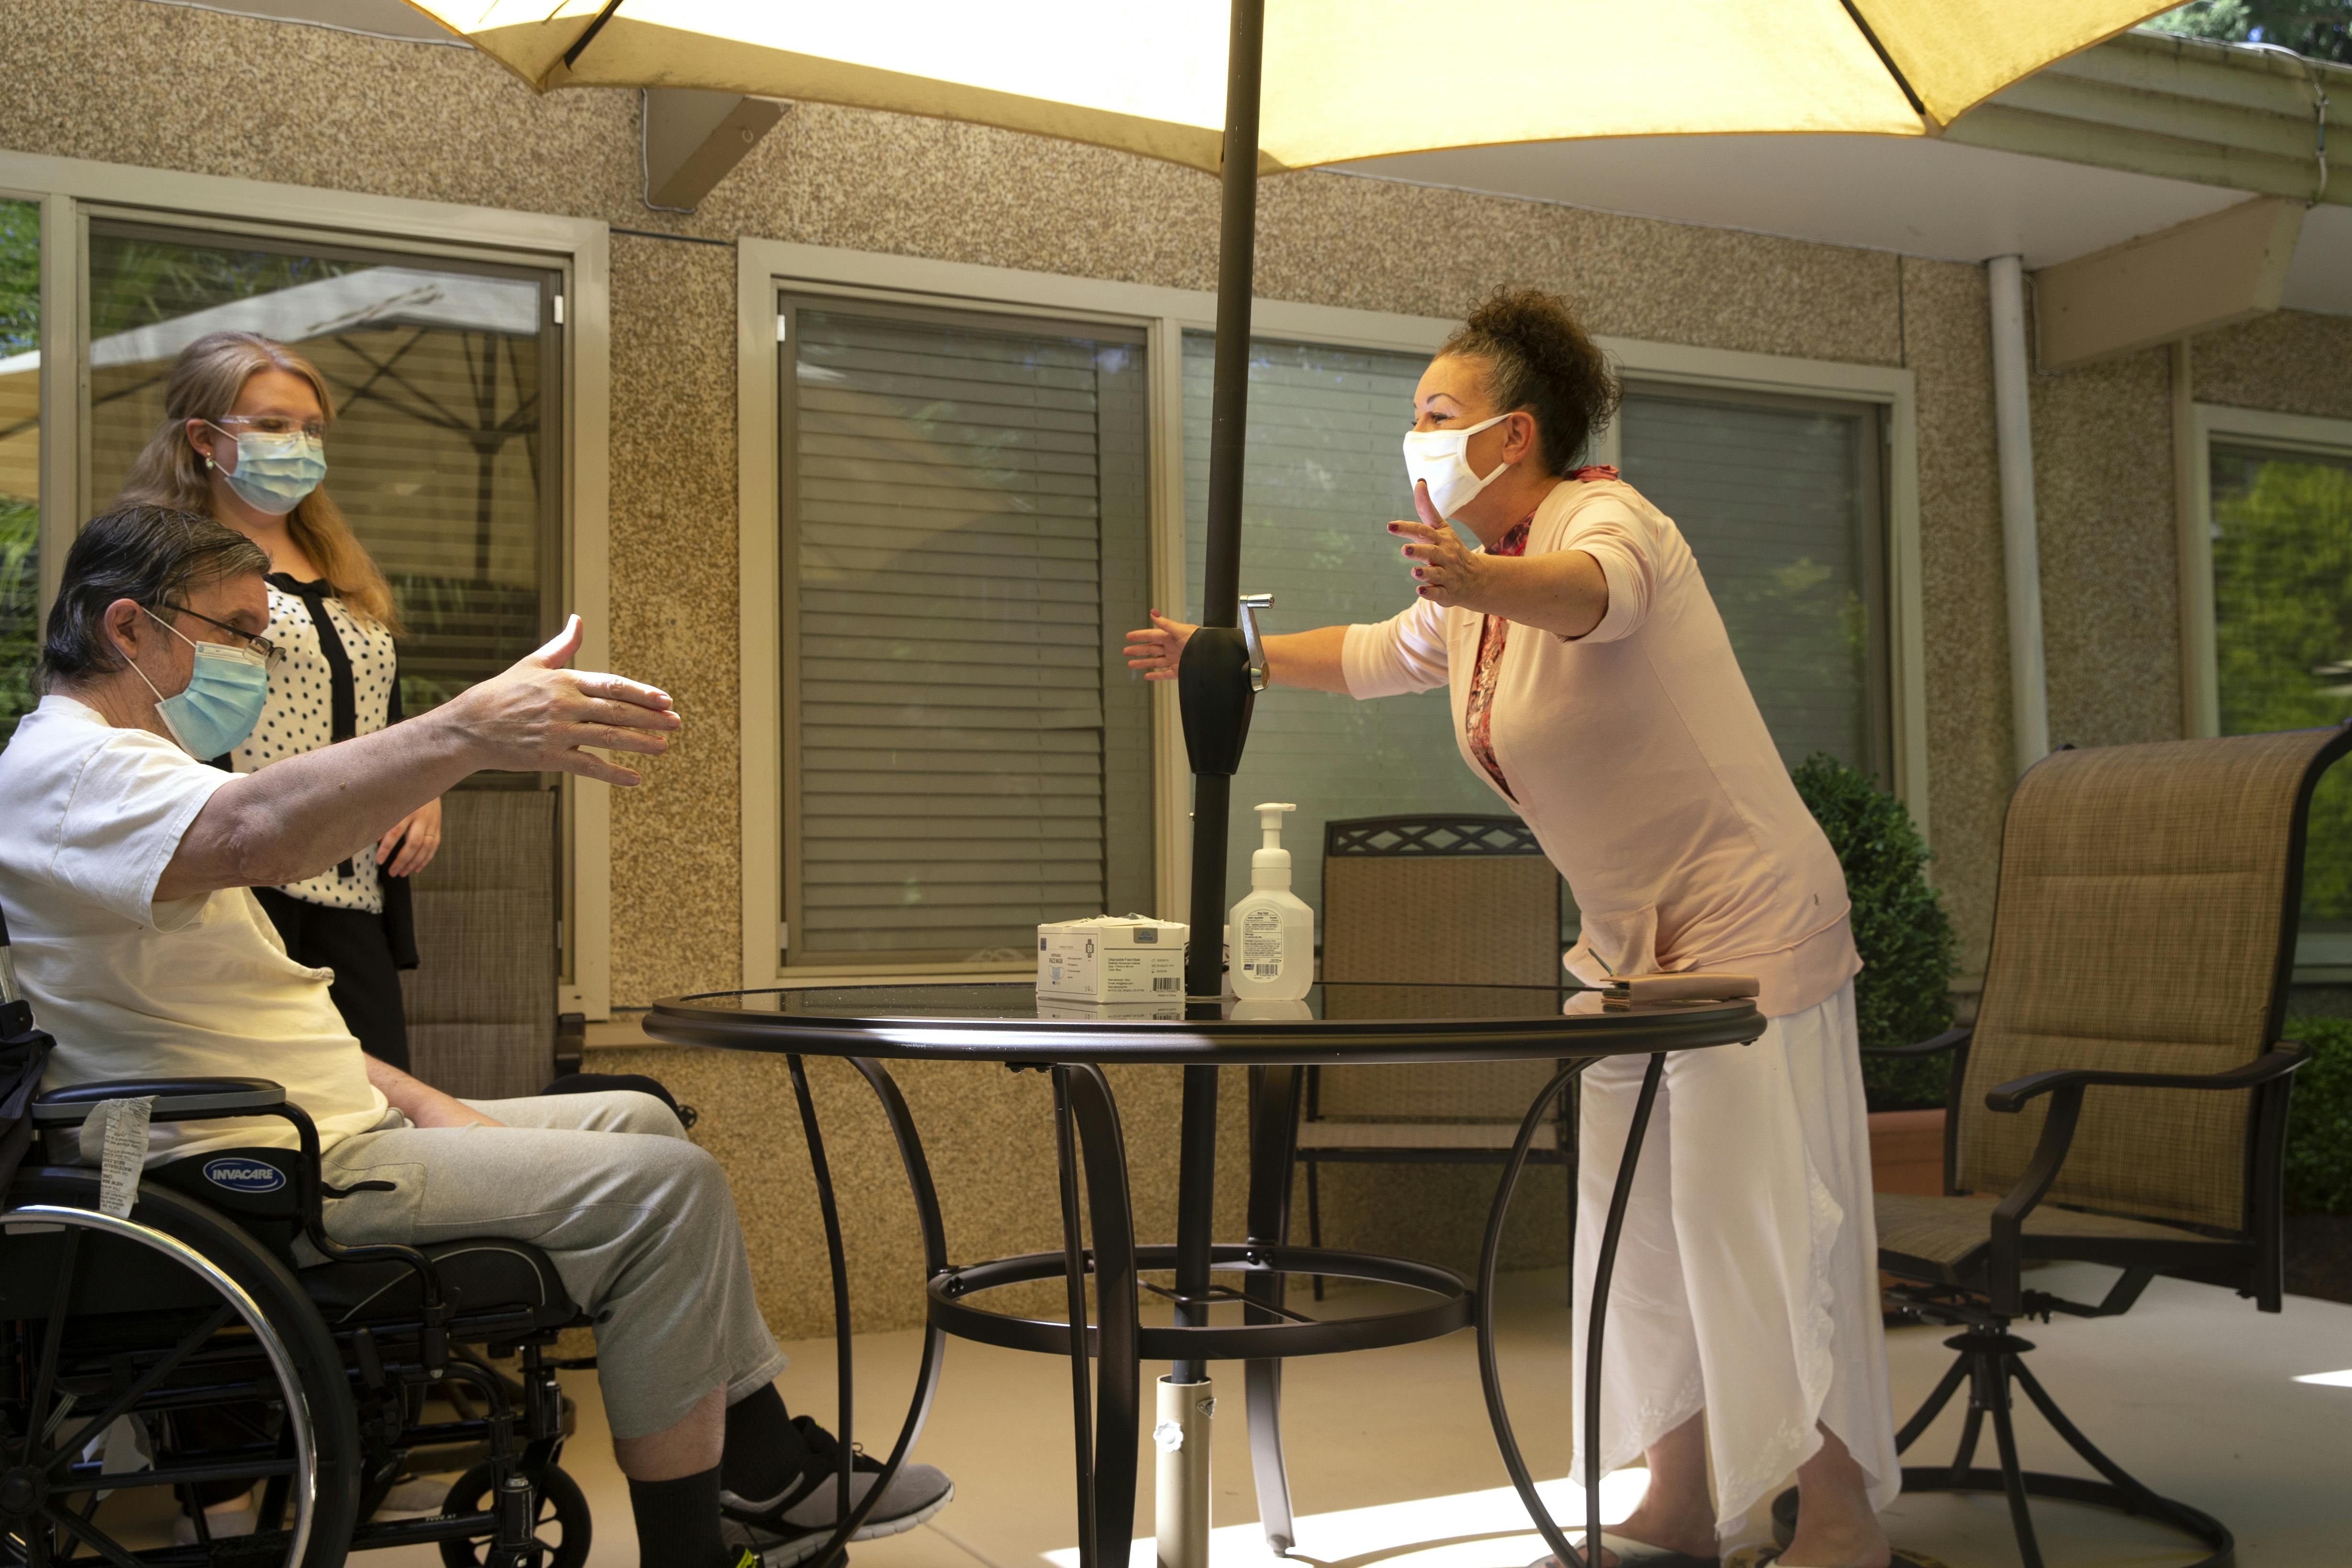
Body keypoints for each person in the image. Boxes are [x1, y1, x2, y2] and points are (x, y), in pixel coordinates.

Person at [0, 505, 953, 1568]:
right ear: (127, 629)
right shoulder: (78, 772)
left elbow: (223, 1017)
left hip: (306, 1128)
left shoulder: (137, 771)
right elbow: (262, 832)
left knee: (637, 1111)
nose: (259, 660)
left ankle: (760, 1470)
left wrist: (419, 1100)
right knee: (666, 1191)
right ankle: (714, 1531)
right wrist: (466, 732)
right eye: (236, 630)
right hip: (247, 1174)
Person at [1126, 290, 1905, 1568]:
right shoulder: (1473, 592)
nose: (1414, 436)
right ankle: (1675, 1503)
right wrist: (1239, 655)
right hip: (1624, 949)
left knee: (1741, 1218)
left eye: (1438, 414)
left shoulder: (1603, 519)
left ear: (1513, 436)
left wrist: (1484, 573)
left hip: (1747, 927)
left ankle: (1834, 1514)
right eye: (1413, 416)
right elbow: (1384, 651)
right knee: (1630, 1226)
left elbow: (1594, 595)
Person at [114, 330, 435, 1071]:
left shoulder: (340, 561)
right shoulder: (160, 560)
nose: (299, 443)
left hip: (354, 888)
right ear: (203, 436)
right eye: (271, 425)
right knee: (269, 1116)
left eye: (311, 427)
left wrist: (424, 784)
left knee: (379, 1114)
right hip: (239, 880)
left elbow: (374, 703)